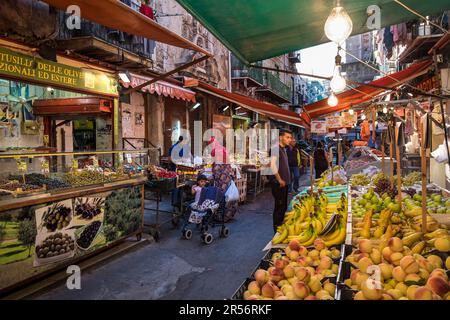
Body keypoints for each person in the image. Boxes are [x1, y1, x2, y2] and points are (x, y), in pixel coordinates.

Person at [270, 129, 292, 233]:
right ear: (280, 137)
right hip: (279, 184)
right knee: (279, 207)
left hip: (285, 183)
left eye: (290, 137)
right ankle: (277, 230)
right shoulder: (275, 148)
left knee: (283, 206)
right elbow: (272, 165)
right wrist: (279, 179)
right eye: (287, 137)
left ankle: (280, 228)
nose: (290, 140)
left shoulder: (284, 149)